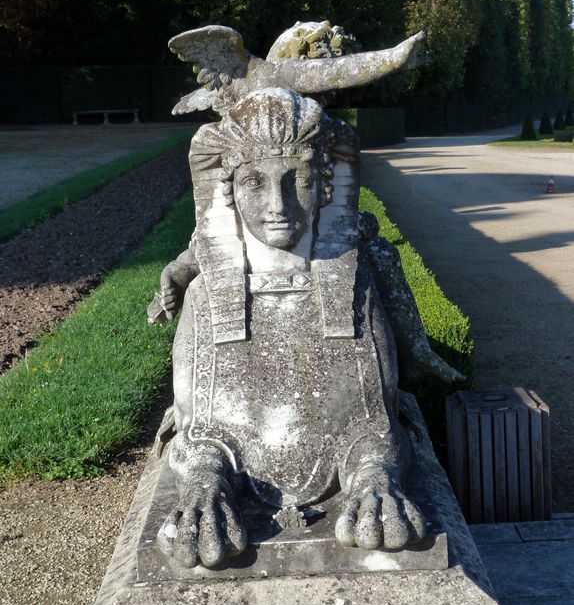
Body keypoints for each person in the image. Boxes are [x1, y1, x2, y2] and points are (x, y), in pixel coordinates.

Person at [151, 88, 459, 569]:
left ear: (325, 185)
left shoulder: (354, 288)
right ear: (229, 190)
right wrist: (204, 484)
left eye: (296, 179)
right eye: (255, 182)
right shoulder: (205, 297)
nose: (277, 204)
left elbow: (373, 423)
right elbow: (201, 430)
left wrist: (374, 477)